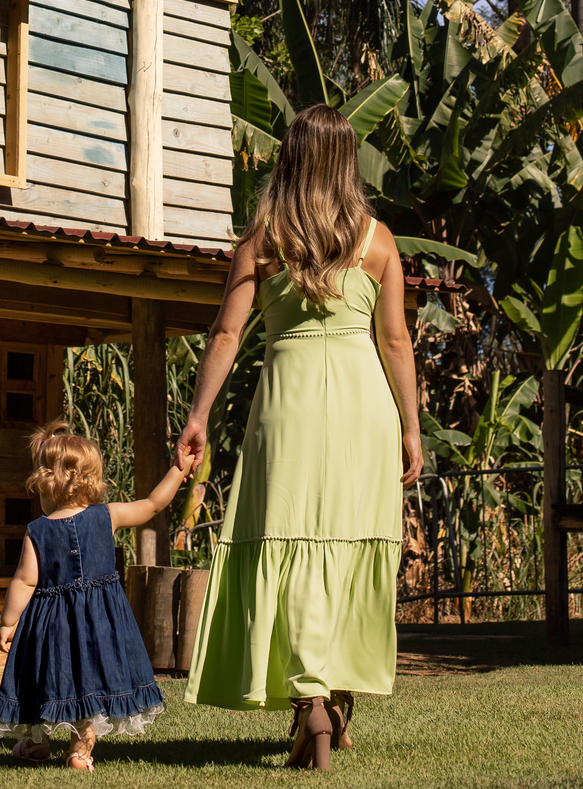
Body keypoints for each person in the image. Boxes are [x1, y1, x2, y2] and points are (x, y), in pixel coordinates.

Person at [177, 103, 423, 771]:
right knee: (345, 546)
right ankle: (329, 700)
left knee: (288, 542)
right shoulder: (379, 241)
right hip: (363, 408)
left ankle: (313, 703)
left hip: (289, 406)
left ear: (290, 159)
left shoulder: (264, 240)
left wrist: (198, 416)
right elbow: (395, 341)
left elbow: (227, 335)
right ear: (347, 163)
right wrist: (410, 426)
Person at [0, 419, 189, 771]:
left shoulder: (37, 530)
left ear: (46, 481)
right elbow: (153, 504)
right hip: (101, 622)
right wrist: (178, 469)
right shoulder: (107, 515)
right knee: (89, 681)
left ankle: (37, 743)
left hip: (51, 626)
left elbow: (25, 581)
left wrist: (7, 622)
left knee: (46, 677)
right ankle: (80, 751)